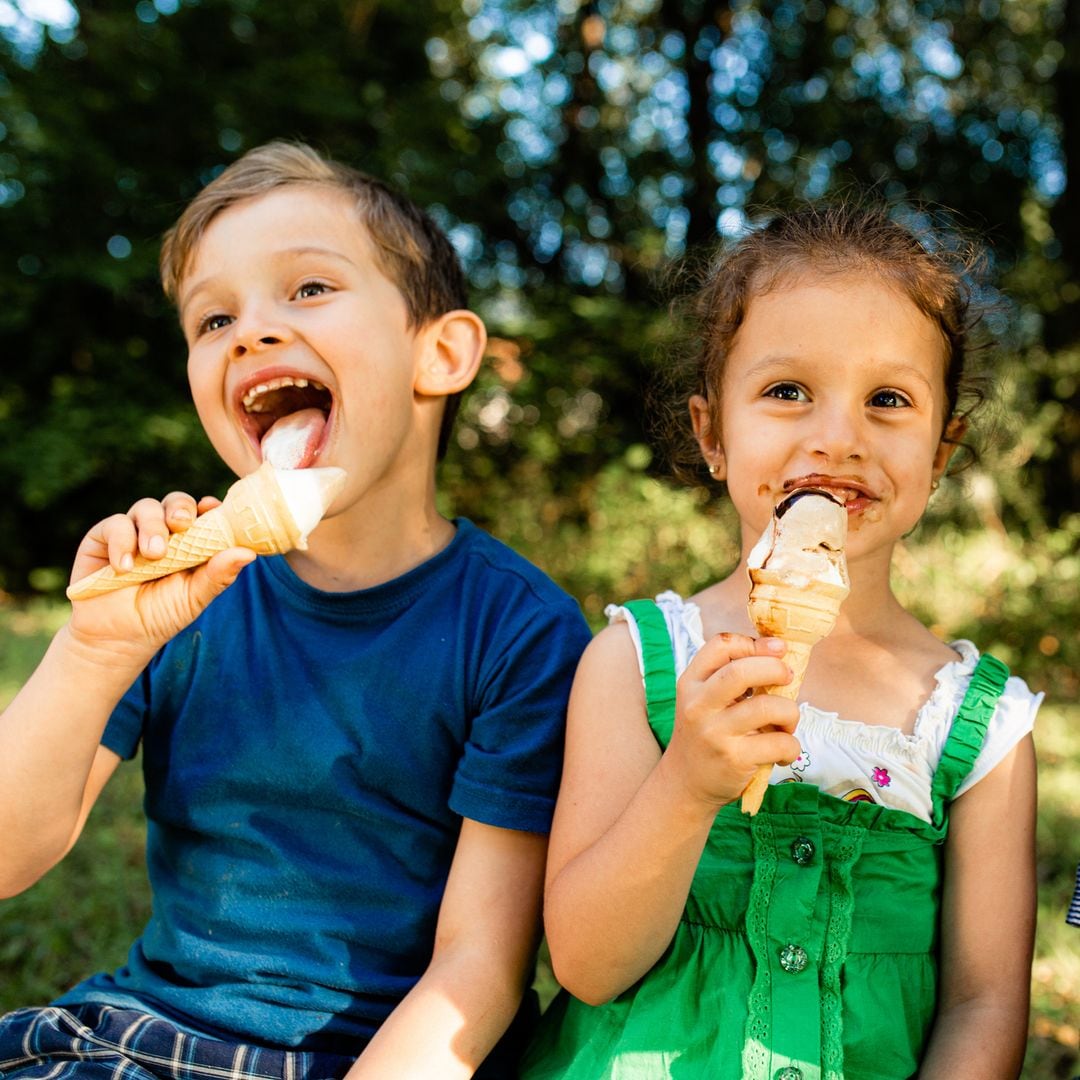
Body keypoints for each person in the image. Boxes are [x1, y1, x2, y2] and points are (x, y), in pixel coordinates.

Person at [0, 141, 592, 1080]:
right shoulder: (177, 597)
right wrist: (92, 649)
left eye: (309, 289)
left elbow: (477, 972)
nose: (251, 332)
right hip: (143, 1032)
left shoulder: (520, 633)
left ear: (440, 353)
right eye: (214, 318)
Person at [520, 203, 1040, 1079]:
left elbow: (984, 1006)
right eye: (787, 391)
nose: (837, 438)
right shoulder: (638, 662)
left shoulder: (980, 730)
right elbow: (586, 965)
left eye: (888, 400)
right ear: (712, 433)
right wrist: (686, 783)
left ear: (943, 449)